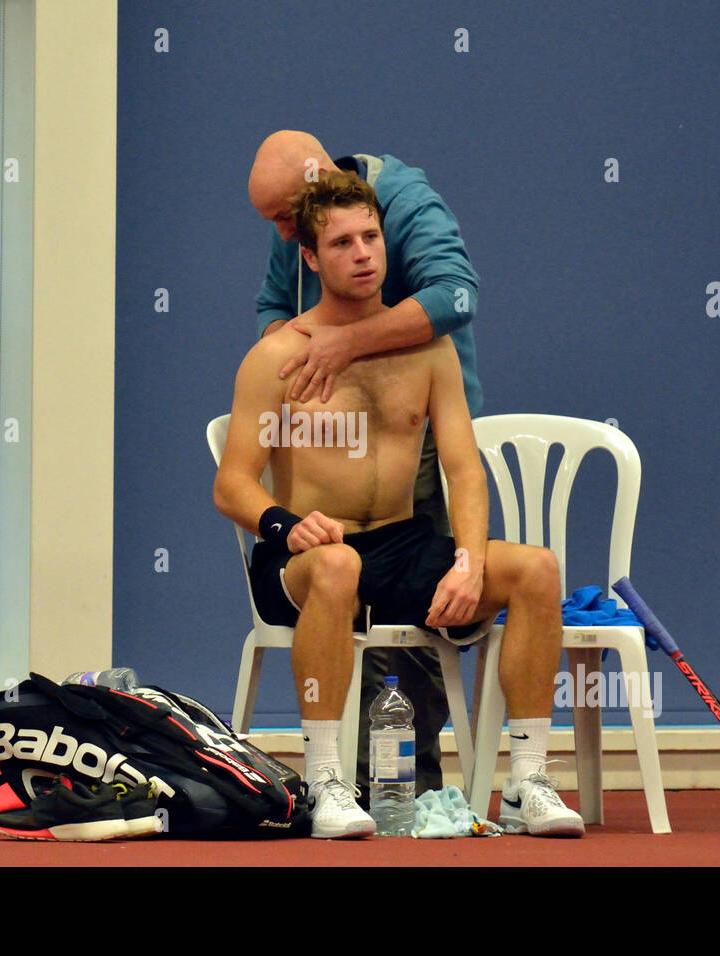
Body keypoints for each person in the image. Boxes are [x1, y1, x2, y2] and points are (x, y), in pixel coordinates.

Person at [216, 171, 582, 839]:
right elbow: (232, 484)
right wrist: (288, 527)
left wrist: (469, 563)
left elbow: (464, 470)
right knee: (336, 568)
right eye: (342, 244)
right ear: (310, 258)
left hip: (401, 541)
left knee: (536, 570)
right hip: (305, 556)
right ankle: (327, 781)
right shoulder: (275, 356)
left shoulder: (429, 348)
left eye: (371, 237)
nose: (362, 254)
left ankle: (528, 780)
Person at [248, 130, 481, 798]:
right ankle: (339, 779)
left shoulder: (404, 201)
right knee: (341, 572)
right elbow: (272, 308)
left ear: (319, 182)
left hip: (419, 424)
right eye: (278, 223)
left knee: (416, 611)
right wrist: (289, 359)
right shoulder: (300, 224)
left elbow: (457, 296)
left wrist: (346, 345)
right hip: (336, 427)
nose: (282, 232)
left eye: (286, 216)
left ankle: (410, 782)